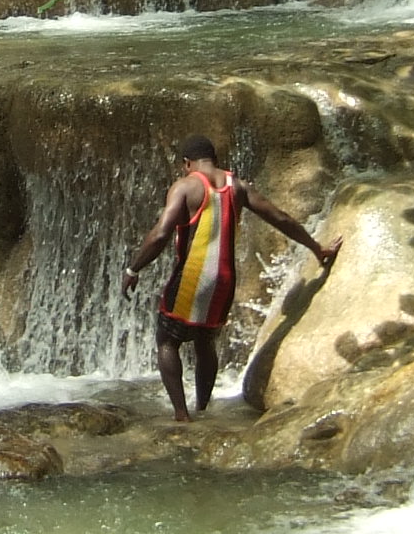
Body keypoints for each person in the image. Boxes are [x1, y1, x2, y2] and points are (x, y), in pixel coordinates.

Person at [120, 136, 337, 422]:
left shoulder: (186, 186)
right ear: (214, 160)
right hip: (224, 281)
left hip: (193, 277)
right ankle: (203, 409)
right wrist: (316, 247)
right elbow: (280, 218)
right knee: (205, 340)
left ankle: (181, 415)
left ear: (188, 164)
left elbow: (161, 234)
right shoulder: (238, 187)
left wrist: (133, 269)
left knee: (167, 340)